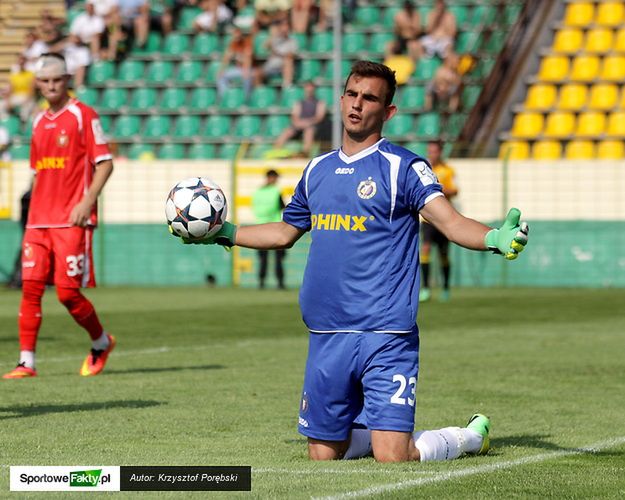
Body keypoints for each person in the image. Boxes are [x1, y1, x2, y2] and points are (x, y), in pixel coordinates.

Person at [182, 60, 529, 462]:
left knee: (392, 457)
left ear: (388, 111)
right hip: (327, 332)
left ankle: (470, 436)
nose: (357, 105)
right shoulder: (317, 169)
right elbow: (284, 232)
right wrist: (226, 232)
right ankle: (368, 428)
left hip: (386, 332)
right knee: (324, 455)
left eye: (370, 98)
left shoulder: (405, 168)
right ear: (342, 98)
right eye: (352, 94)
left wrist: (493, 237)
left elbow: (449, 222)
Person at [3, 53, 115, 379]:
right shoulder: (38, 120)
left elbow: (105, 163)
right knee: (31, 288)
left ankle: (100, 341)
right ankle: (27, 361)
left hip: (71, 219)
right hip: (39, 220)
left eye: (57, 80)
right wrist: (30, 202)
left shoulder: (83, 115)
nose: (51, 86)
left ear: (67, 80)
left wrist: (87, 201)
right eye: (45, 81)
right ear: (38, 84)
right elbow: (38, 170)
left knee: (66, 292)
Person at [419, 139, 458, 302]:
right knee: (425, 250)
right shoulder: (423, 169)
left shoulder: (447, 170)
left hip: (443, 219)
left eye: (434, 151)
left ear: (440, 152)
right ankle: (426, 288)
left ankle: (446, 288)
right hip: (428, 220)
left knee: (443, 255)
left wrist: (439, 189)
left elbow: (455, 190)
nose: (432, 154)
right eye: (430, 151)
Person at [251, 170, 286, 289]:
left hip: (260, 227)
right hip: (275, 227)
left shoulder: (257, 192)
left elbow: (255, 208)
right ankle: (280, 283)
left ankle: (261, 283)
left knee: (262, 259)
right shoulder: (276, 191)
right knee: (278, 259)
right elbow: (282, 207)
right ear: (272, 178)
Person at [273, 80, 326, 157]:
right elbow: (294, 116)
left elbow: (319, 117)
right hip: (299, 125)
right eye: (308, 88)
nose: (309, 90)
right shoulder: (299, 102)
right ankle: (276, 152)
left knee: (309, 132)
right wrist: (299, 123)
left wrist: (307, 123)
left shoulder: (320, 102)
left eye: (311, 88)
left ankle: (305, 153)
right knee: (286, 132)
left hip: (312, 126)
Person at [255, 18, 297, 88]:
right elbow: (265, 46)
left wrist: (277, 54)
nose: (284, 29)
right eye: (282, 26)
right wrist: (273, 36)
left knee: (288, 62)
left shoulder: (292, 41)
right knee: (257, 73)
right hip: (272, 65)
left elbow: (291, 55)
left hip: (282, 66)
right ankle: (260, 92)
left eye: (286, 26)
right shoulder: (275, 38)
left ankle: (287, 86)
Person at [216, 25, 254, 101]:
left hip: (249, 68)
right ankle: (225, 98)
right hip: (238, 69)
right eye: (235, 35)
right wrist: (221, 70)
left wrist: (246, 70)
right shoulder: (233, 44)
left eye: (238, 35)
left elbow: (248, 58)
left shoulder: (247, 42)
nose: (236, 37)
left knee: (247, 77)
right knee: (220, 77)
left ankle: (246, 98)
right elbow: (226, 58)